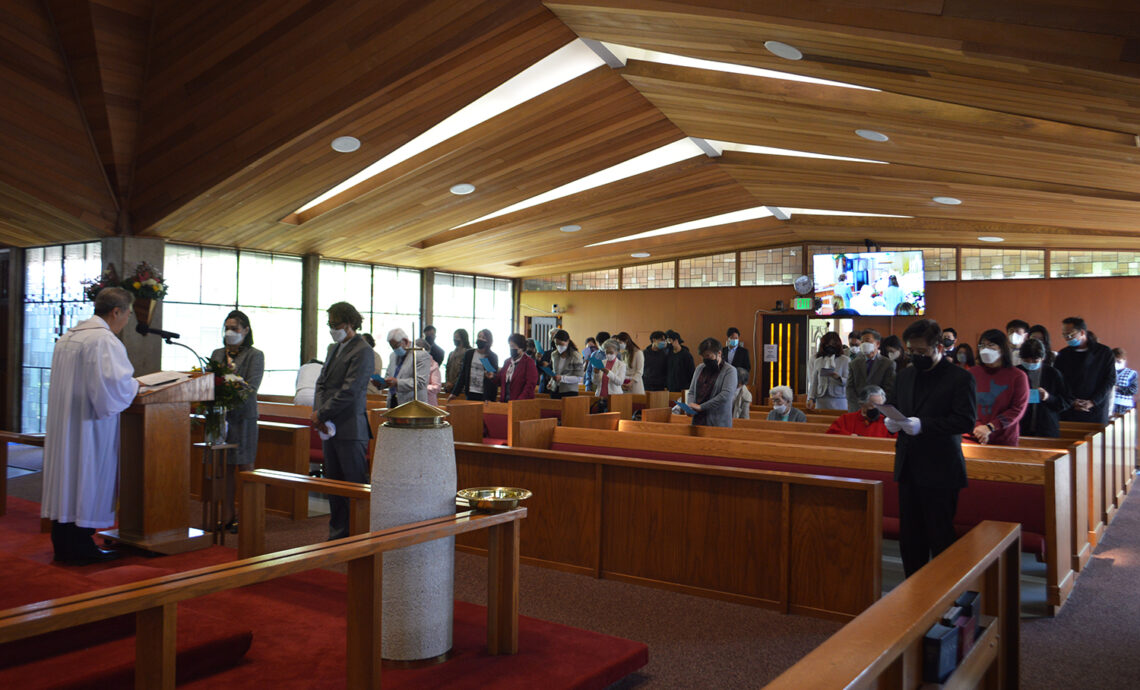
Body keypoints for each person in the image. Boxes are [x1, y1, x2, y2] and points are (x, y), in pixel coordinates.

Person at [42, 287, 139, 564]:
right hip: (88, 427)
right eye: (128, 313)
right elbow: (114, 386)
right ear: (116, 311)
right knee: (86, 478)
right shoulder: (102, 340)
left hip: (67, 425)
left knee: (68, 481)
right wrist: (136, 384)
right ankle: (82, 548)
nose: (127, 320)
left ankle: (65, 544)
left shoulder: (69, 337)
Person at [886, 319, 976, 577]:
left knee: (940, 536)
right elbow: (894, 405)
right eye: (912, 352)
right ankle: (912, 591)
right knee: (910, 538)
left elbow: (965, 420)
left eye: (922, 352)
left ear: (939, 347)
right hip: (908, 466)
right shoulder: (905, 375)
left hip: (940, 470)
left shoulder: (960, 378)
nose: (916, 356)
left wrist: (924, 425)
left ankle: (943, 596)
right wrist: (890, 421)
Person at [313, 302, 375, 540]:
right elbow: (322, 383)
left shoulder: (363, 349)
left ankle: (357, 535)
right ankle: (337, 534)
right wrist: (318, 412)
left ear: (350, 323)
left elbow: (350, 390)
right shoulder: (333, 348)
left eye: (335, 325)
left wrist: (322, 413)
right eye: (329, 325)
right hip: (329, 428)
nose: (332, 329)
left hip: (350, 428)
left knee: (353, 487)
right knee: (334, 486)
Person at [209, 310, 264, 533]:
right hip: (220, 417)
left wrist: (232, 387)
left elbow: (251, 387)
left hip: (244, 416)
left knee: (245, 465)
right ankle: (227, 513)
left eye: (235, 328)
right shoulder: (217, 353)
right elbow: (209, 381)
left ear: (246, 330)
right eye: (227, 328)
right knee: (225, 466)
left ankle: (247, 514)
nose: (230, 332)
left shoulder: (255, 355)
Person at [969, 329, 1029, 446]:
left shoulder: (1018, 376)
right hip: (973, 436)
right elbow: (965, 404)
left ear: (1002, 349)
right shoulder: (971, 373)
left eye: (991, 345)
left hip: (1003, 439)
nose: (985, 349)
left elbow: (1017, 409)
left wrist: (990, 427)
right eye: (982, 345)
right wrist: (978, 428)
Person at [1055, 317, 1116, 424]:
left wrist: (1093, 401)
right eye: (1064, 335)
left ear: (1082, 332)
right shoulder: (1063, 354)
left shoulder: (1104, 353)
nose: (1067, 338)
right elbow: (1059, 381)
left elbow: (1110, 380)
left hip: (1096, 409)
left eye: (1070, 334)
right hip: (1070, 409)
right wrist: (1072, 401)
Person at [1018, 338, 1071, 438]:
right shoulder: (1016, 372)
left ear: (1042, 358)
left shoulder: (1053, 374)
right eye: (1026, 360)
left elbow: (1066, 402)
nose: (1030, 363)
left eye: (1034, 360)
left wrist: (1048, 397)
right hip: (1020, 428)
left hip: (1047, 429)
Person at [679, 338, 737, 428]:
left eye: (708, 356)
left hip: (718, 423)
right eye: (703, 356)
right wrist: (690, 406)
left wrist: (701, 407)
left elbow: (725, 395)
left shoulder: (729, 371)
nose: (705, 359)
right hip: (698, 421)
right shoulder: (700, 368)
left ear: (719, 353)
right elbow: (692, 391)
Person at [378, 328, 431, 408]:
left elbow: (421, 382)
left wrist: (397, 382)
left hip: (412, 404)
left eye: (396, 346)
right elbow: (389, 375)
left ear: (405, 341)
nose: (395, 349)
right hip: (393, 401)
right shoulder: (393, 355)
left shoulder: (421, 355)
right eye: (392, 347)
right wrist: (382, 382)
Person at [846, 328, 896, 411]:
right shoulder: (854, 363)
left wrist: (875, 406)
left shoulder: (888, 364)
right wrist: (859, 405)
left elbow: (889, 390)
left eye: (867, 341)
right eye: (862, 342)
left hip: (879, 409)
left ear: (877, 344)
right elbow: (850, 388)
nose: (864, 344)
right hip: (857, 409)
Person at [827, 385, 896, 438]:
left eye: (879, 406)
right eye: (872, 405)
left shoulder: (887, 423)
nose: (876, 409)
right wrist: (850, 436)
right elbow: (831, 435)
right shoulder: (846, 419)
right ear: (862, 404)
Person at [450, 329, 497, 401]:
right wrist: (455, 393)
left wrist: (490, 397)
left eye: (483, 338)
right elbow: (463, 374)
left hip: (484, 394)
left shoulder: (491, 356)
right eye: (479, 336)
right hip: (470, 392)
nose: (480, 339)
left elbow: (492, 378)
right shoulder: (470, 354)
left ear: (488, 341)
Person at [807, 332, 849, 410]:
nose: (830, 346)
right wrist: (811, 398)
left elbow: (849, 381)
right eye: (827, 344)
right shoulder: (818, 361)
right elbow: (814, 382)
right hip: (821, 398)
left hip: (839, 398)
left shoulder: (845, 360)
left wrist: (838, 377)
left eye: (833, 344)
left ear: (838, 345)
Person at [491, 333, 538, 402]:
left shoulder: (529, 362)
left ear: (521, 348)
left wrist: (519, 401)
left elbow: (530, 385)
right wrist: (492, 376)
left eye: (513, 346)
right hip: (505, 402)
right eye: (510, 346)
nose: (511, 349)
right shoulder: (507, 362)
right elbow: (500, 381)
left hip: (521, 403)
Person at [548, 330, 584, 398]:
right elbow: (555, 372)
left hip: (569, 391)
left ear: (567, 341)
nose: (558, 347)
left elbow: (579, 377)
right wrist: (551, 382)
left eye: (561, 344)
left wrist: (562, 378)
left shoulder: (575, 356)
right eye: (556, 344)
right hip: (555, 389)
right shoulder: (554, 354)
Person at [415, 338, 442, 406]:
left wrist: (419, 387)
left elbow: (436, 387)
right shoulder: (411, 363)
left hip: (428, 402)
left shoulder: (433, 365)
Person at [444, 329, 470, 395]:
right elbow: (447, 369)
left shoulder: (468, 352)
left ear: (463, 338)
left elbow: (463, 371)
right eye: (454, 337)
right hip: (450, 388)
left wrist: (454, 383)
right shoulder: (451, 354)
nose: (455, 339)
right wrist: (448, 382)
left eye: (457, 337)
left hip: (462, 388)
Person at [1113, 348, 1137, 416]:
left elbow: (1133, 390)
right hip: (1110, 404)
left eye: (1119, 361)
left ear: (1124, 360)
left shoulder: (1131, 373)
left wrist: (1117, 388)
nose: (1116, 364)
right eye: (1114, 361)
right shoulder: (1108, 372)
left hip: (1125, 406)